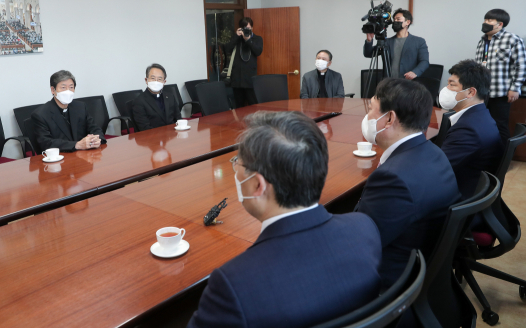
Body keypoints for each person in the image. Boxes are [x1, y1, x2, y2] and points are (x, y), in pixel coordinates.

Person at [188, 111, 382, 328]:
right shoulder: (364, 229)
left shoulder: (234, 285)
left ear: (257, 185)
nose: (235, 171)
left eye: (237, 164)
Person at [356, 78, 460, 289]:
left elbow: (359, 244)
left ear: (389, 119)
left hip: (389, 283)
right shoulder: (433, 152)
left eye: (372, 110)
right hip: (421, 266)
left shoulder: (393, 180)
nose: (367, 117)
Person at [438, 60, 503, 199]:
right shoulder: (481, 115)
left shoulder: (467, 130)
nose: (446, 89)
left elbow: (437, 170)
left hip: (458, 197)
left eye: (451, 84)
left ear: (470, 92)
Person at [474, 9, 525, 146]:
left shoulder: (512, 39)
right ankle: (487, 158)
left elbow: (521, 66)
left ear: (500, 24)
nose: (485, 23)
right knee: (482, 126)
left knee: (500, 126)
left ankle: (502, 162)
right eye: (485, 20)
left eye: (489, 20)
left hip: (500, 93)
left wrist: (515, 88)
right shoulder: (481, 42)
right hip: (481, 93)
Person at [31, 70, 106, 152]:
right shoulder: (40, 114)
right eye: (63, 87)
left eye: (71, 87)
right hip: (60, 158)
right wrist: (77, 145)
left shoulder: (80, 107)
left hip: (84, 155)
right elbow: (46, 143)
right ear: (53, 90)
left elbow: (94, 128)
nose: (68, 91)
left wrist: (96, 139)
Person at [363, 8, 429, 80]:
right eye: (394, 19)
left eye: (398, 19)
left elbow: (424, 61)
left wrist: (415, 72)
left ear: (407, 22)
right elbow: (368, 54)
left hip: (409, 84)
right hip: (389, 83)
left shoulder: (419, 41)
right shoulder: (386, 42)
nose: (395, 21)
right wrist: (369, 40)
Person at [224, 17, 263, 108]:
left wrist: (248, 40)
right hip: (237, 79)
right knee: (238, 108)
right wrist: (236, 36)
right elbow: (227, 50)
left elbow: (258, 52)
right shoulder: (237, 39)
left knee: (253, 106)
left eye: (249, 28)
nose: (247, 30)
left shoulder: (257, 39)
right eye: (245, 28)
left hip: (250, 79)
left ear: (252, 28)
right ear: (240, 29)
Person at [131, 63, 181, 131]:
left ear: (164, 82)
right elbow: (144, 128)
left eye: (159, 79)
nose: (156, 81)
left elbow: (178, 119)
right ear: (146, 80)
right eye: (153, 78)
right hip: (152, 138)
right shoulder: (139, 101)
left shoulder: (170, 96)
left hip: (171, 136)